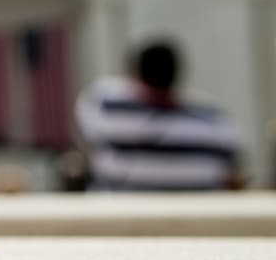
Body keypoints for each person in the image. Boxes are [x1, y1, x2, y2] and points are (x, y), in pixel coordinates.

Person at [75, 40, 240, 190]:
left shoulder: (105, 106)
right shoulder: (213, 119)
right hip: (195, 213)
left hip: (121, 214)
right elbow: (230, 167)